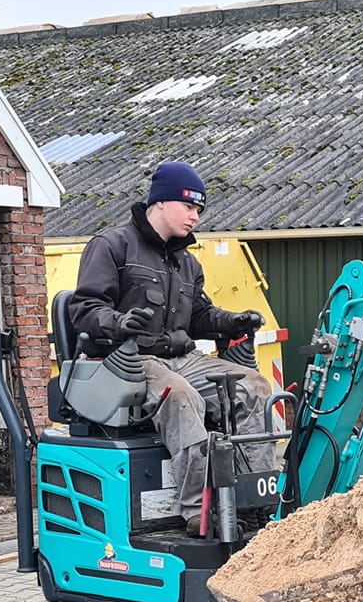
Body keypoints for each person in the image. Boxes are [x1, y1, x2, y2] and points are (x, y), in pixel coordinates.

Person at [66, 161, 275, 536]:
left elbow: (199, 316)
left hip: (181, 357)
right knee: (181, 397)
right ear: (160, 202)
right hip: (126, 360)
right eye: (188, 207)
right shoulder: (112, 246)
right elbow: (84, 309)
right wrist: (118, 323)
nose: (195, 216)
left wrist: (232, 322)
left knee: (255, 386)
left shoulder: (186, 263)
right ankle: (199, 511)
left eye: (199, 210)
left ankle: (253, 500)